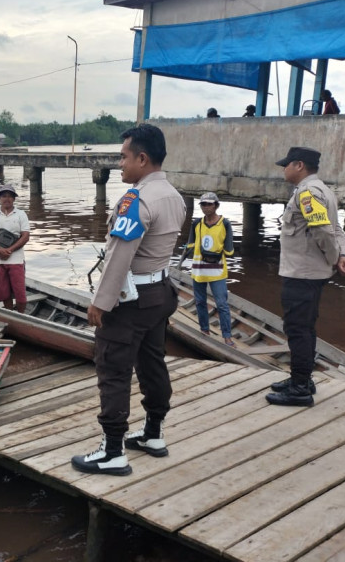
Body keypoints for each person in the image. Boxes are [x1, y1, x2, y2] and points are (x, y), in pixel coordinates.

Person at [71, 124, 185, 476]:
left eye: (123, 157)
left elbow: (120, 254)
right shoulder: (174, 196)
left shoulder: (136, 200)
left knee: (113, 369)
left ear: (142, 158)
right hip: (159, 292)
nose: (119, 164)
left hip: (131, 299)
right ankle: (153, 434)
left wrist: (100, 303)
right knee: (153, 363)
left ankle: (112, 451)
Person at [267, 147, 345, 407]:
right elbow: (336, 227)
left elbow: (324, 231)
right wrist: (343, 254)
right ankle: (301, 378)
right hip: (308, 272)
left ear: (299, 165)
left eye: (287, 165)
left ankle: (300, 388)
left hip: (303, 274)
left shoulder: (308, 193)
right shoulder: (324, 190)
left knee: (297, 329)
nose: (284, 169)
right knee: (306, 327)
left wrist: (333, 257)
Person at [186, 192, 236, 347]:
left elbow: (229, 250)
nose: (206, 207)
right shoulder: (197, 224)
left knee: (222, 304)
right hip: (199, 270)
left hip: (217, 271)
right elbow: (190, 245)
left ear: (216, 205)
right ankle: (204, 330)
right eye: (203, 204)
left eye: (209, 204)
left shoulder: (225, 223)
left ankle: (227, 336)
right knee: (200, 301)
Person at [0, 184, 30, 312]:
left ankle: (21, 316)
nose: (7, 199)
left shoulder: (21, 214)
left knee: (21, 296)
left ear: (14, 199)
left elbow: (25, 236)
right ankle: (10, 313)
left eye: (10, 196)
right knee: (4, 294)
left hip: (16, 260)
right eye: (4, 196)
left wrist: (10, 250)